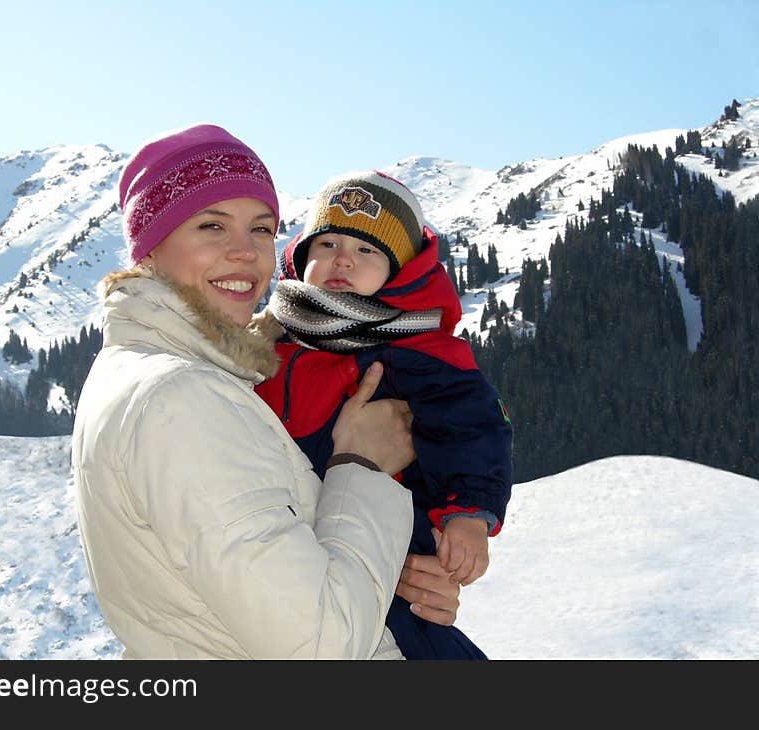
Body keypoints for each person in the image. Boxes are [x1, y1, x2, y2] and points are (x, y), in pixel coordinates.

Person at [71, 124, 462, 659]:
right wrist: (363, 467)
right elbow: (320, 646)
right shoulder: (178, 400)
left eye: (261, 229)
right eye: (211, 226)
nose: (246, 253)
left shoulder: (150, 371)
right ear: (151, 249)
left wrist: (392, 577)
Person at [254, 170, 514, 659]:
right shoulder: (270, 338)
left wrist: (469, 514)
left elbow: (472, 428)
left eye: (368, 250)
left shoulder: (418, 347)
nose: (343, 258)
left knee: (408, 637)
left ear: (401, 270)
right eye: (327, 243)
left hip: (387, 539)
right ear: (301, 256)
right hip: (290, 540)